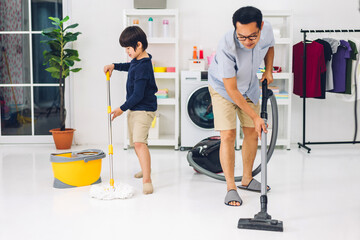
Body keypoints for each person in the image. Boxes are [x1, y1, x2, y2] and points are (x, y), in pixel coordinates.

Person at [208, 6, 275, 206]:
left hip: (250, 85)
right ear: (235, 30)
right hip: (223, 89)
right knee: (228, 135)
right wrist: (255, 117)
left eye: (252, 37)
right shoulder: (227, 45)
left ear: (261, 27)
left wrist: (268, 70)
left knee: (252, 133)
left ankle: (246, 179)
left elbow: (270, 46)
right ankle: (231, 187)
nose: (246, 41)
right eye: (241, 37)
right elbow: (231, 89)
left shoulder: (267, 30)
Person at [103, 26, 158, 194]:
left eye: (128, 48)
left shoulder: (143, 66)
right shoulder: (138, 60)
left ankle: (147, 179)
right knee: (137, 143)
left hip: (143, 109)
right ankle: (145, 168)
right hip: (135, 109)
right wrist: (114, 65)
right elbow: (129, 67)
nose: (127, 51)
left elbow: (138, 95)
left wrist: (121, 108)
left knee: (140, 143)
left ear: (138, 45)